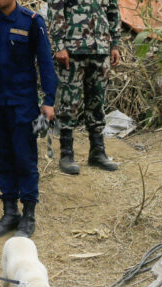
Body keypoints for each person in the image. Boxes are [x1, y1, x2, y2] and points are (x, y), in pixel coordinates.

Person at [0, 0, 58, 239]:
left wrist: (49, 100)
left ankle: (28, 215)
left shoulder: (32, 21)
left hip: (22, 105)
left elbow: (45, 62)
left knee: (25, 160)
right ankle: (9, 212)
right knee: (3, 159)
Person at [49, 0, 120, 174]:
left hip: (101, 49)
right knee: (68, 101)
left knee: (97, 101)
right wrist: (59, 45)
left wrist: (115, 44)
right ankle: (66, 153)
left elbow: (113, 11)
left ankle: (97, 151)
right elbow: (55, 10)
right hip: (73, 50)